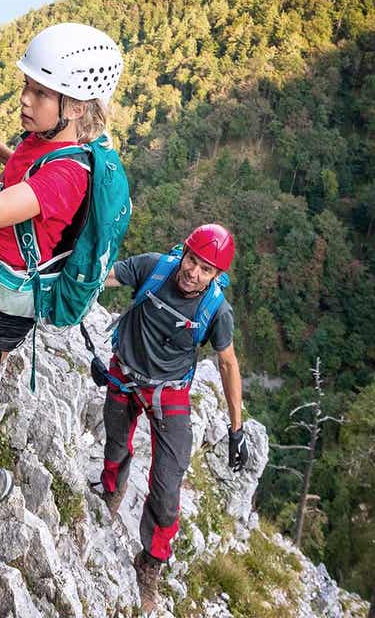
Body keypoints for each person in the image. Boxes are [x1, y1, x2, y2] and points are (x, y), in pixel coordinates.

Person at [0, 22, 124, 540]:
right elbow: (21, 174)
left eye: (41, 92)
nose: (25, 99)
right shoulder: (50, 144)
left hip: (3, 301)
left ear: (77, 106)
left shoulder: (66, 175)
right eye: (27, 86)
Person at [94, 224, 248, 611]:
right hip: (125, 373)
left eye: (205, 268)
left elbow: (227, 365)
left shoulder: (216, 311)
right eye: (192, 260)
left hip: (169, 391)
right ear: (183, 253)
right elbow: (102, 277)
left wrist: (236, 428)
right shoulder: (154, 269)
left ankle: (150, 563)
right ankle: (113, 491)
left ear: (217, 276)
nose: (193, 272)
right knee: (115, 442)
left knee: (168, 485)